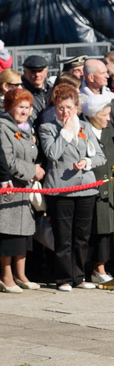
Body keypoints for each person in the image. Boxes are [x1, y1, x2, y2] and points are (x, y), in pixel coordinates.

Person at [39, 85, 106, 291]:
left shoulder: (85, 127)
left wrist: (87, 162)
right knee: (63, 236)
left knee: (82, 236)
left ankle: (79, 276)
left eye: (69, 107)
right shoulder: (47, 128)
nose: (65, 112)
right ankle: (64, 278)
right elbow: (52, 153)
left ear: (77, 107)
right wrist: (66, 132)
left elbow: (100, 156)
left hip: (86, 188)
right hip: (61, 189)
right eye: (60, 108)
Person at [0, 89, 43, 293]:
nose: (24, 111)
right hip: (10, 189)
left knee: (24, 235)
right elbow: (8, 160)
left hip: (24, 189)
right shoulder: (3, 127)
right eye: (20, 107)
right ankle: (6, 277)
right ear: (9, 107)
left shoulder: (26, 128)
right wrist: (32, 171)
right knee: (9, 236)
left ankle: (21, 275)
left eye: (27, 107)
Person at [82, 93, 114, 283]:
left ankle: (101, 267)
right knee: (90, 230)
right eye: (105, 115)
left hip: (108, 187)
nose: (108, 119)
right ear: (94, 115)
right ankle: (90, 269)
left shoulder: (109, 130)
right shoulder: (83, 129)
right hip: (89, 186)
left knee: (106, 228)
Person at [21, 55, 51, 127]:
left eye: (40, 71)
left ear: (46, 72)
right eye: (33, 72)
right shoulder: (21, 94)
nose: (37, 74)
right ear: (25, 73)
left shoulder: (53, 91)